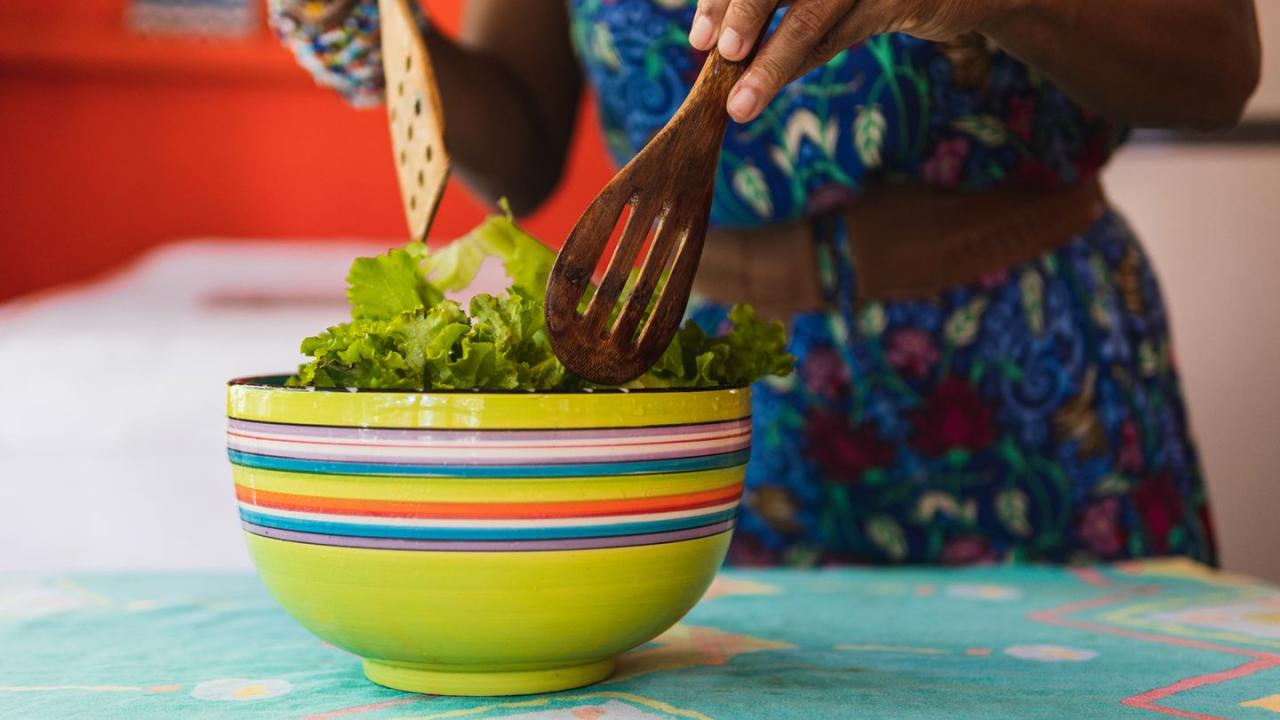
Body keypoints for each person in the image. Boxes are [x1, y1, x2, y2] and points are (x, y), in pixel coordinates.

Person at [268, 0, 1261, 566]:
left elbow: (1216, 68)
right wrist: (377, 30)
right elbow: (521, 149)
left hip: (1038, 379)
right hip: (708, 404)